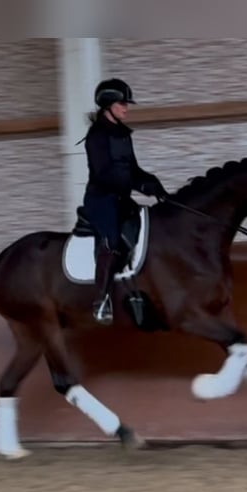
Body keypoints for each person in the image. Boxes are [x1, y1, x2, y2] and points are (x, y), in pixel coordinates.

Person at [80, 78, 170, 325]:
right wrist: (139, 184)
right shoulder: (96, 137)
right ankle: (102, 299)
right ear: (108, 105)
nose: (126, 108)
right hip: (101, 199)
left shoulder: (122, 135)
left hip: (121, 197)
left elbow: (132, 169)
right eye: (122, 104)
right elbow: (105, 173)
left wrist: (155, 185)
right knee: (111, 240)